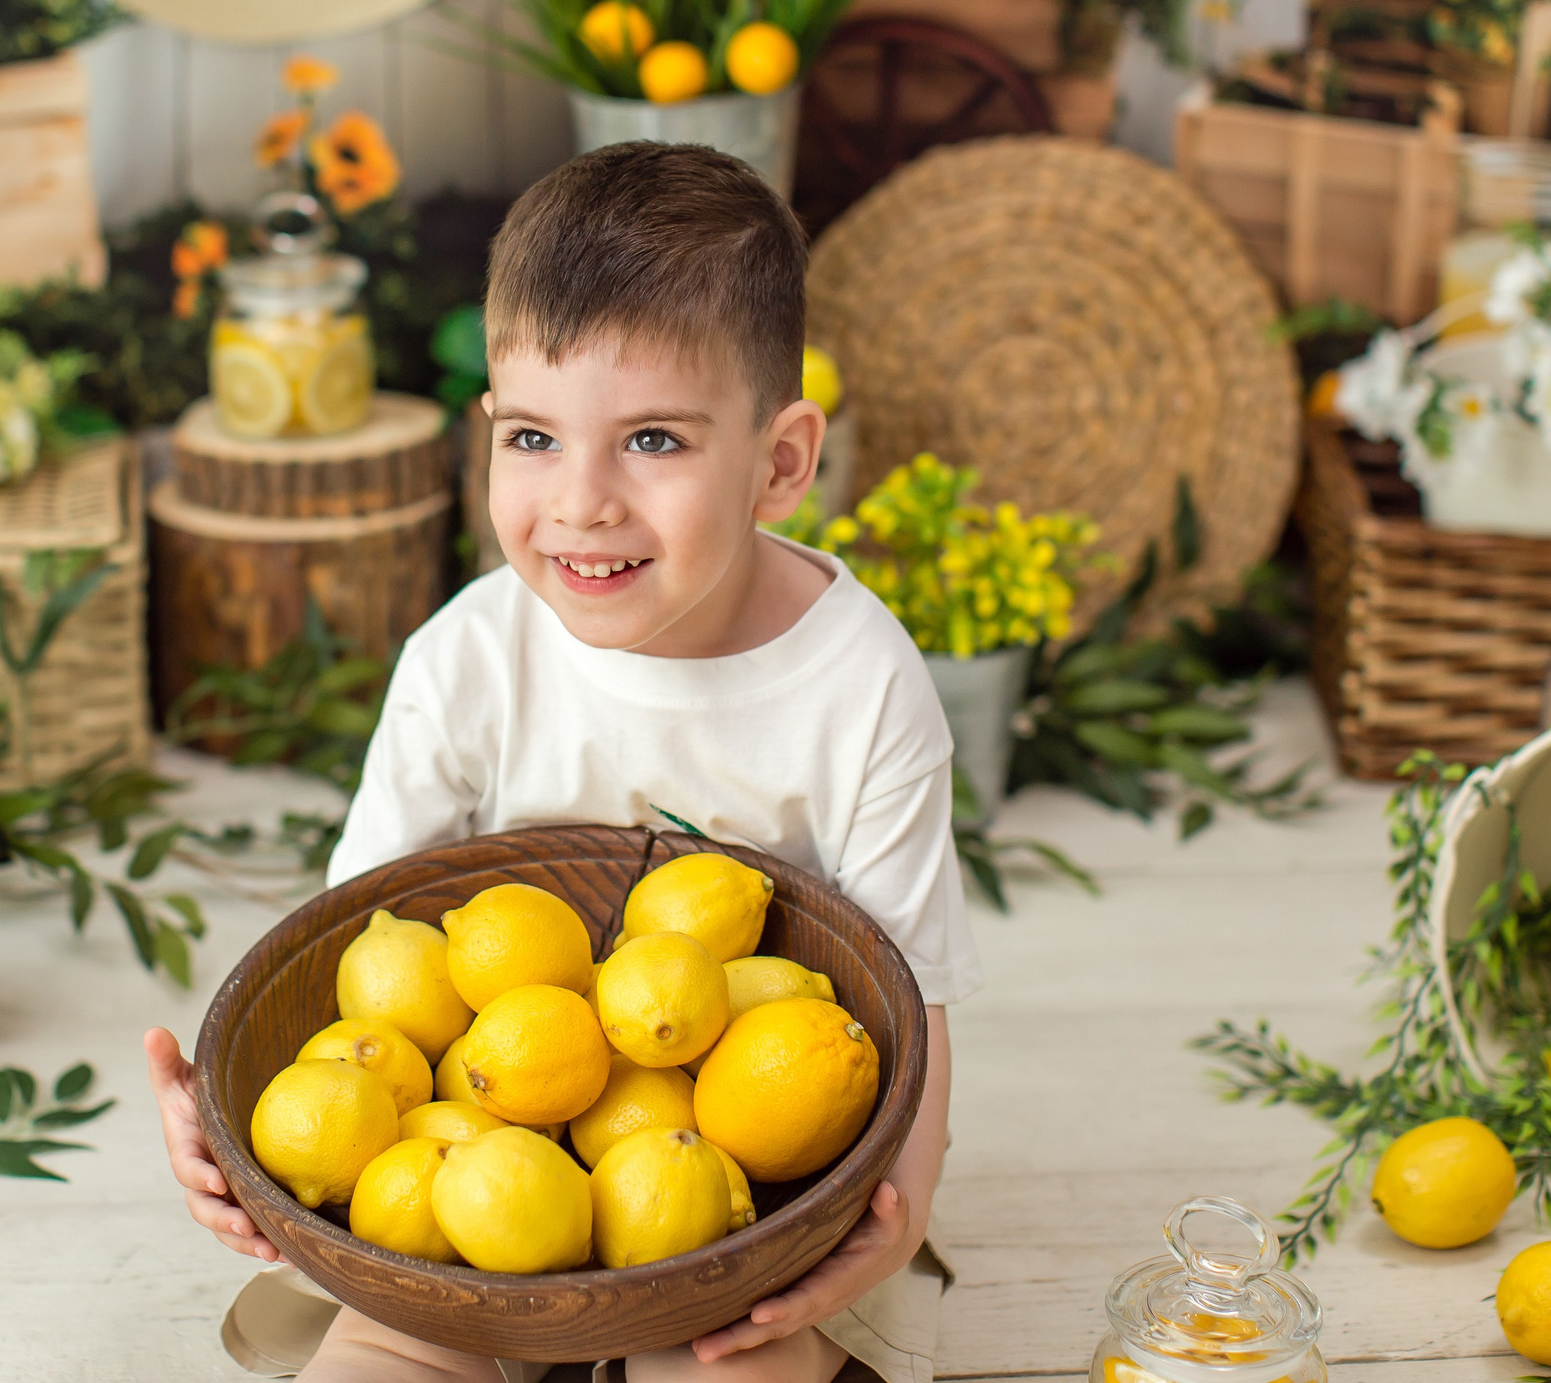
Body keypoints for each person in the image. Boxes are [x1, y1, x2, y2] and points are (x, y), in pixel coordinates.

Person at [147, 142, 977, 1383]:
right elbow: (355, 965)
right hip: (470, 1167)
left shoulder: (860, 686)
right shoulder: (465, 658)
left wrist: (883, 1226)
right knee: (387, 1353)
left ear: (783, 461)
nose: (579, 502)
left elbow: (913, 1007)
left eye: (651, 441)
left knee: (736, 1365)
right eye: (533, 437)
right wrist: (230, 1124)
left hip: (744, 1200)